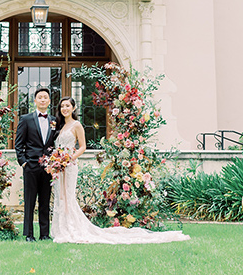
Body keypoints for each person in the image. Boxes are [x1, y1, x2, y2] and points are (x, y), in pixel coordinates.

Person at [50, 96, 189, 244]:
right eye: (62, 106)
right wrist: (56, 160)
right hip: (59, 167)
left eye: (67, 106)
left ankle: (71, 228)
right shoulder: (59, 126)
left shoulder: (76, 125)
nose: (64, 109)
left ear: (73, 108)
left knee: (68, 196)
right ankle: (60, 229)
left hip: (70, 166)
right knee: (60, 196)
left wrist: (70, 158)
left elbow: (83, 147)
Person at [14, 86, 57, 241]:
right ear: (35, 100)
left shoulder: (54, 121)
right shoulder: (26, 119)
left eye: (46, 97)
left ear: (49, 101)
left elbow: (55, 142)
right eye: (40, 97)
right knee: (30, 201)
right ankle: (29, 234)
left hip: (48, 168)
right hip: (31, 166)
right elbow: (18, 143)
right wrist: (23, 162)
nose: (43, 99)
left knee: (45, 201)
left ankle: (45, 234)